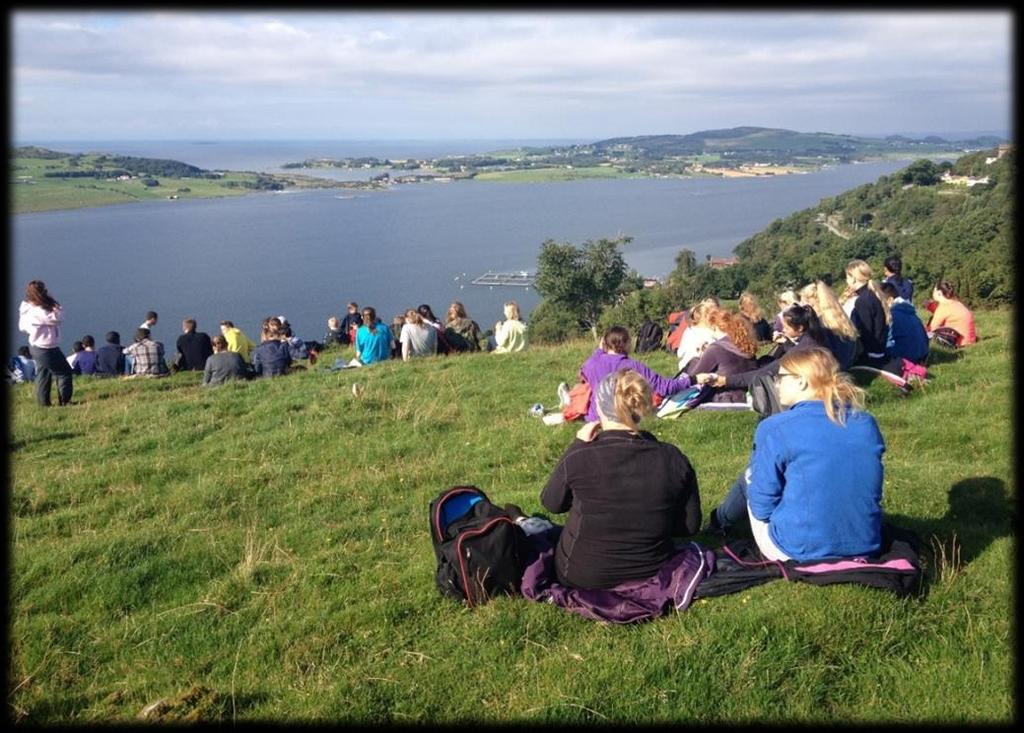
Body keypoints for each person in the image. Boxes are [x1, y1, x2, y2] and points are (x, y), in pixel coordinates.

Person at [706, 348, 884, 562]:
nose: (777, 383)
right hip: (866, 543)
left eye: (780, 377)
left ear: (801, 381)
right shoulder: (866, 423)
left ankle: (718, 523)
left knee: (751, 475)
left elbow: (762, 507)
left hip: (796, 549)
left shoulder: (775, 427)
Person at [540, 368, 702, 590]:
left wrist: (575, 445)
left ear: (598, 407)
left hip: (582, 576)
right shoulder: (672, 457)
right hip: (653, 572)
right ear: (643, 406)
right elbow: (689, 526)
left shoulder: (580, 456)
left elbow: (551, 503)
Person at [697, 303, 828, 393]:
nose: (783, 331)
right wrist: (786, 343)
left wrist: (726, 380)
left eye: (786, 328)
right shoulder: (815, 340)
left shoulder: (802, 350)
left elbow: (765, 372)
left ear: (800, 328)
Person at [580, 325, 691, 422]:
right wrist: (693, 380)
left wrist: (599, 350)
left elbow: (584, 370)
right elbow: (664, 387)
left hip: (596, 417)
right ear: (625, 343)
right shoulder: (632, 366)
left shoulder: (591, 364)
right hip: (622, 418)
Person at [18, 280, 74, 406]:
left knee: (43, 374)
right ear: (42, 292)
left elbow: (22, 327)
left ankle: (44, 404)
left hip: (36, 347)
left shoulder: (27, 308)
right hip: (47, 348)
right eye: (45, 290)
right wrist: (52, 301)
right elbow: (58, 318)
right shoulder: (39, 310)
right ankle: (65, 401)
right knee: (64, 372)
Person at [685, 309, 758, 403]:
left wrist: (701, 356)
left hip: (725, 398)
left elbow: (694, 377)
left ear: (715, 327)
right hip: (749, 395)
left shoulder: (715, 349)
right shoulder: (746, 345)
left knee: (693, 362)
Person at [799, 280, 859, 371]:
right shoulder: (837, 314)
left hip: (839, 367)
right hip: (851, 359)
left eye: (802, 301)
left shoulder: (820, 323)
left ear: (810, 302)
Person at [841, 260, 891, 367]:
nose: (846, 281)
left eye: (847, 278)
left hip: (872, 354)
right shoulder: (872, 293)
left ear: (853, 279)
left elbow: (865, 332)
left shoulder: (863, 300)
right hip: (879, 349)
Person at [880, 282, 930, 364]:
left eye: (879, 301)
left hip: (905, 358)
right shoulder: (910, 312)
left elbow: (885, 342)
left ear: (890, 300)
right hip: (922, 355)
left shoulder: (891, 315)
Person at [927, 282, 977, 347]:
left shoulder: (943, 308)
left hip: (959, 344)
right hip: (970, 341)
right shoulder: (957, 303)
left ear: (939, 293)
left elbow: (932, 329)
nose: (932, 294)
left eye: (934, 291)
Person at [676, 299, 719, 371]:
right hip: (706, 369)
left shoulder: (688, 330)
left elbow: (679, 353)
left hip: (685, 367)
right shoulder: (712, 333)